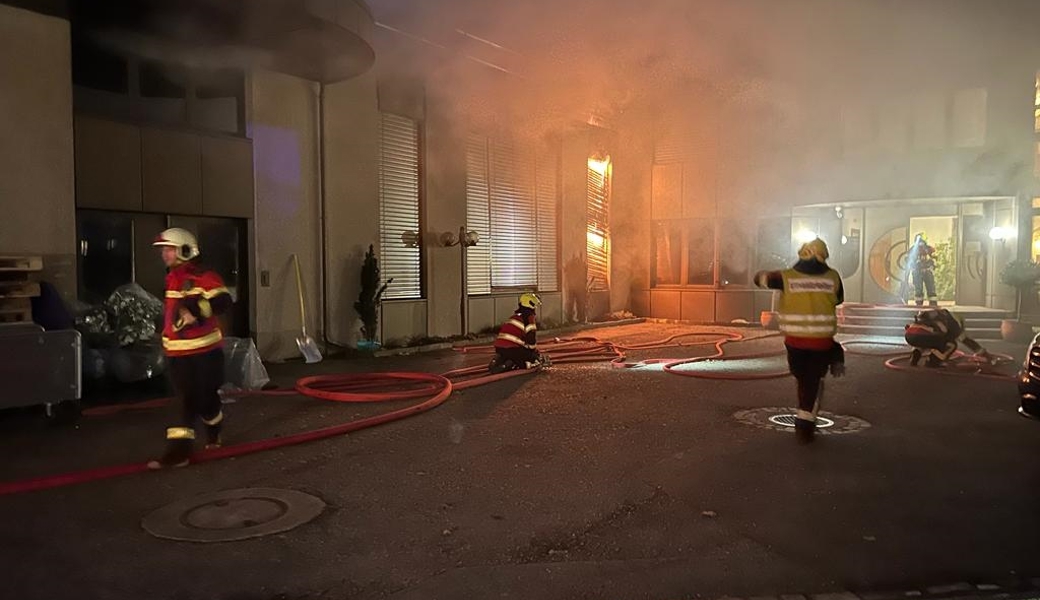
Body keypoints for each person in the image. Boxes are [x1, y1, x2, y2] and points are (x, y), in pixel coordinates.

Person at [148, 228, 233, 469]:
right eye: (163, 250)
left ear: (185, 249)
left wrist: (195, 311)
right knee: (185, 401)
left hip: (206, 353)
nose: (165, 254)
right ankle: (178, 453)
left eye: (169, 249)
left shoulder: (203, 275)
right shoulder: (172, 277)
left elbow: (223, 301)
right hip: (177, 354)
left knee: (206, 400)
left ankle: (214, 427)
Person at [755, 238, 845, 443]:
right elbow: (839, 299)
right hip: (822, 342)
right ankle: (806, 419)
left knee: (803, 378)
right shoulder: (833, 277)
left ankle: (804, 415)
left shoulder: (786, 277)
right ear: (824, 256)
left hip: (794, 342)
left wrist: (766, 273)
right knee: (813, 380)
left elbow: (759, 279)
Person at [904, 307, 989, 368]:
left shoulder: (938, 314)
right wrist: (984, 354)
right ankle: (933, 361)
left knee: (924, 340)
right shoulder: (954, 324)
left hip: (910, 335)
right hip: (925, 335)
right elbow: (965, 340)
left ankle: (914, 357)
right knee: (951, 345)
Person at [489, 292, 549, 373]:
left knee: (511, 355)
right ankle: (520, 365)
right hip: (514, 349)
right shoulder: (529, 318)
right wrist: (534, 353)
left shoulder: (515, 316)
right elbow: (531, 338)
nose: (535, 308)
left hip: (499, 348)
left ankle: (502, 362)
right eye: (535, 305)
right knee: (533, 359)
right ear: (531, 304)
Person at [908, 233, 938, 307]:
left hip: (927, 271)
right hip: (917, 272)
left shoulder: (929, 249)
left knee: (931, 288)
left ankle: (933, 304)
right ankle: (919, 304)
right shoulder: (913, 249)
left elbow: (934, 258)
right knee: (918, 288)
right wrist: (913, 267)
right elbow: (909, 260)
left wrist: (931, 266)